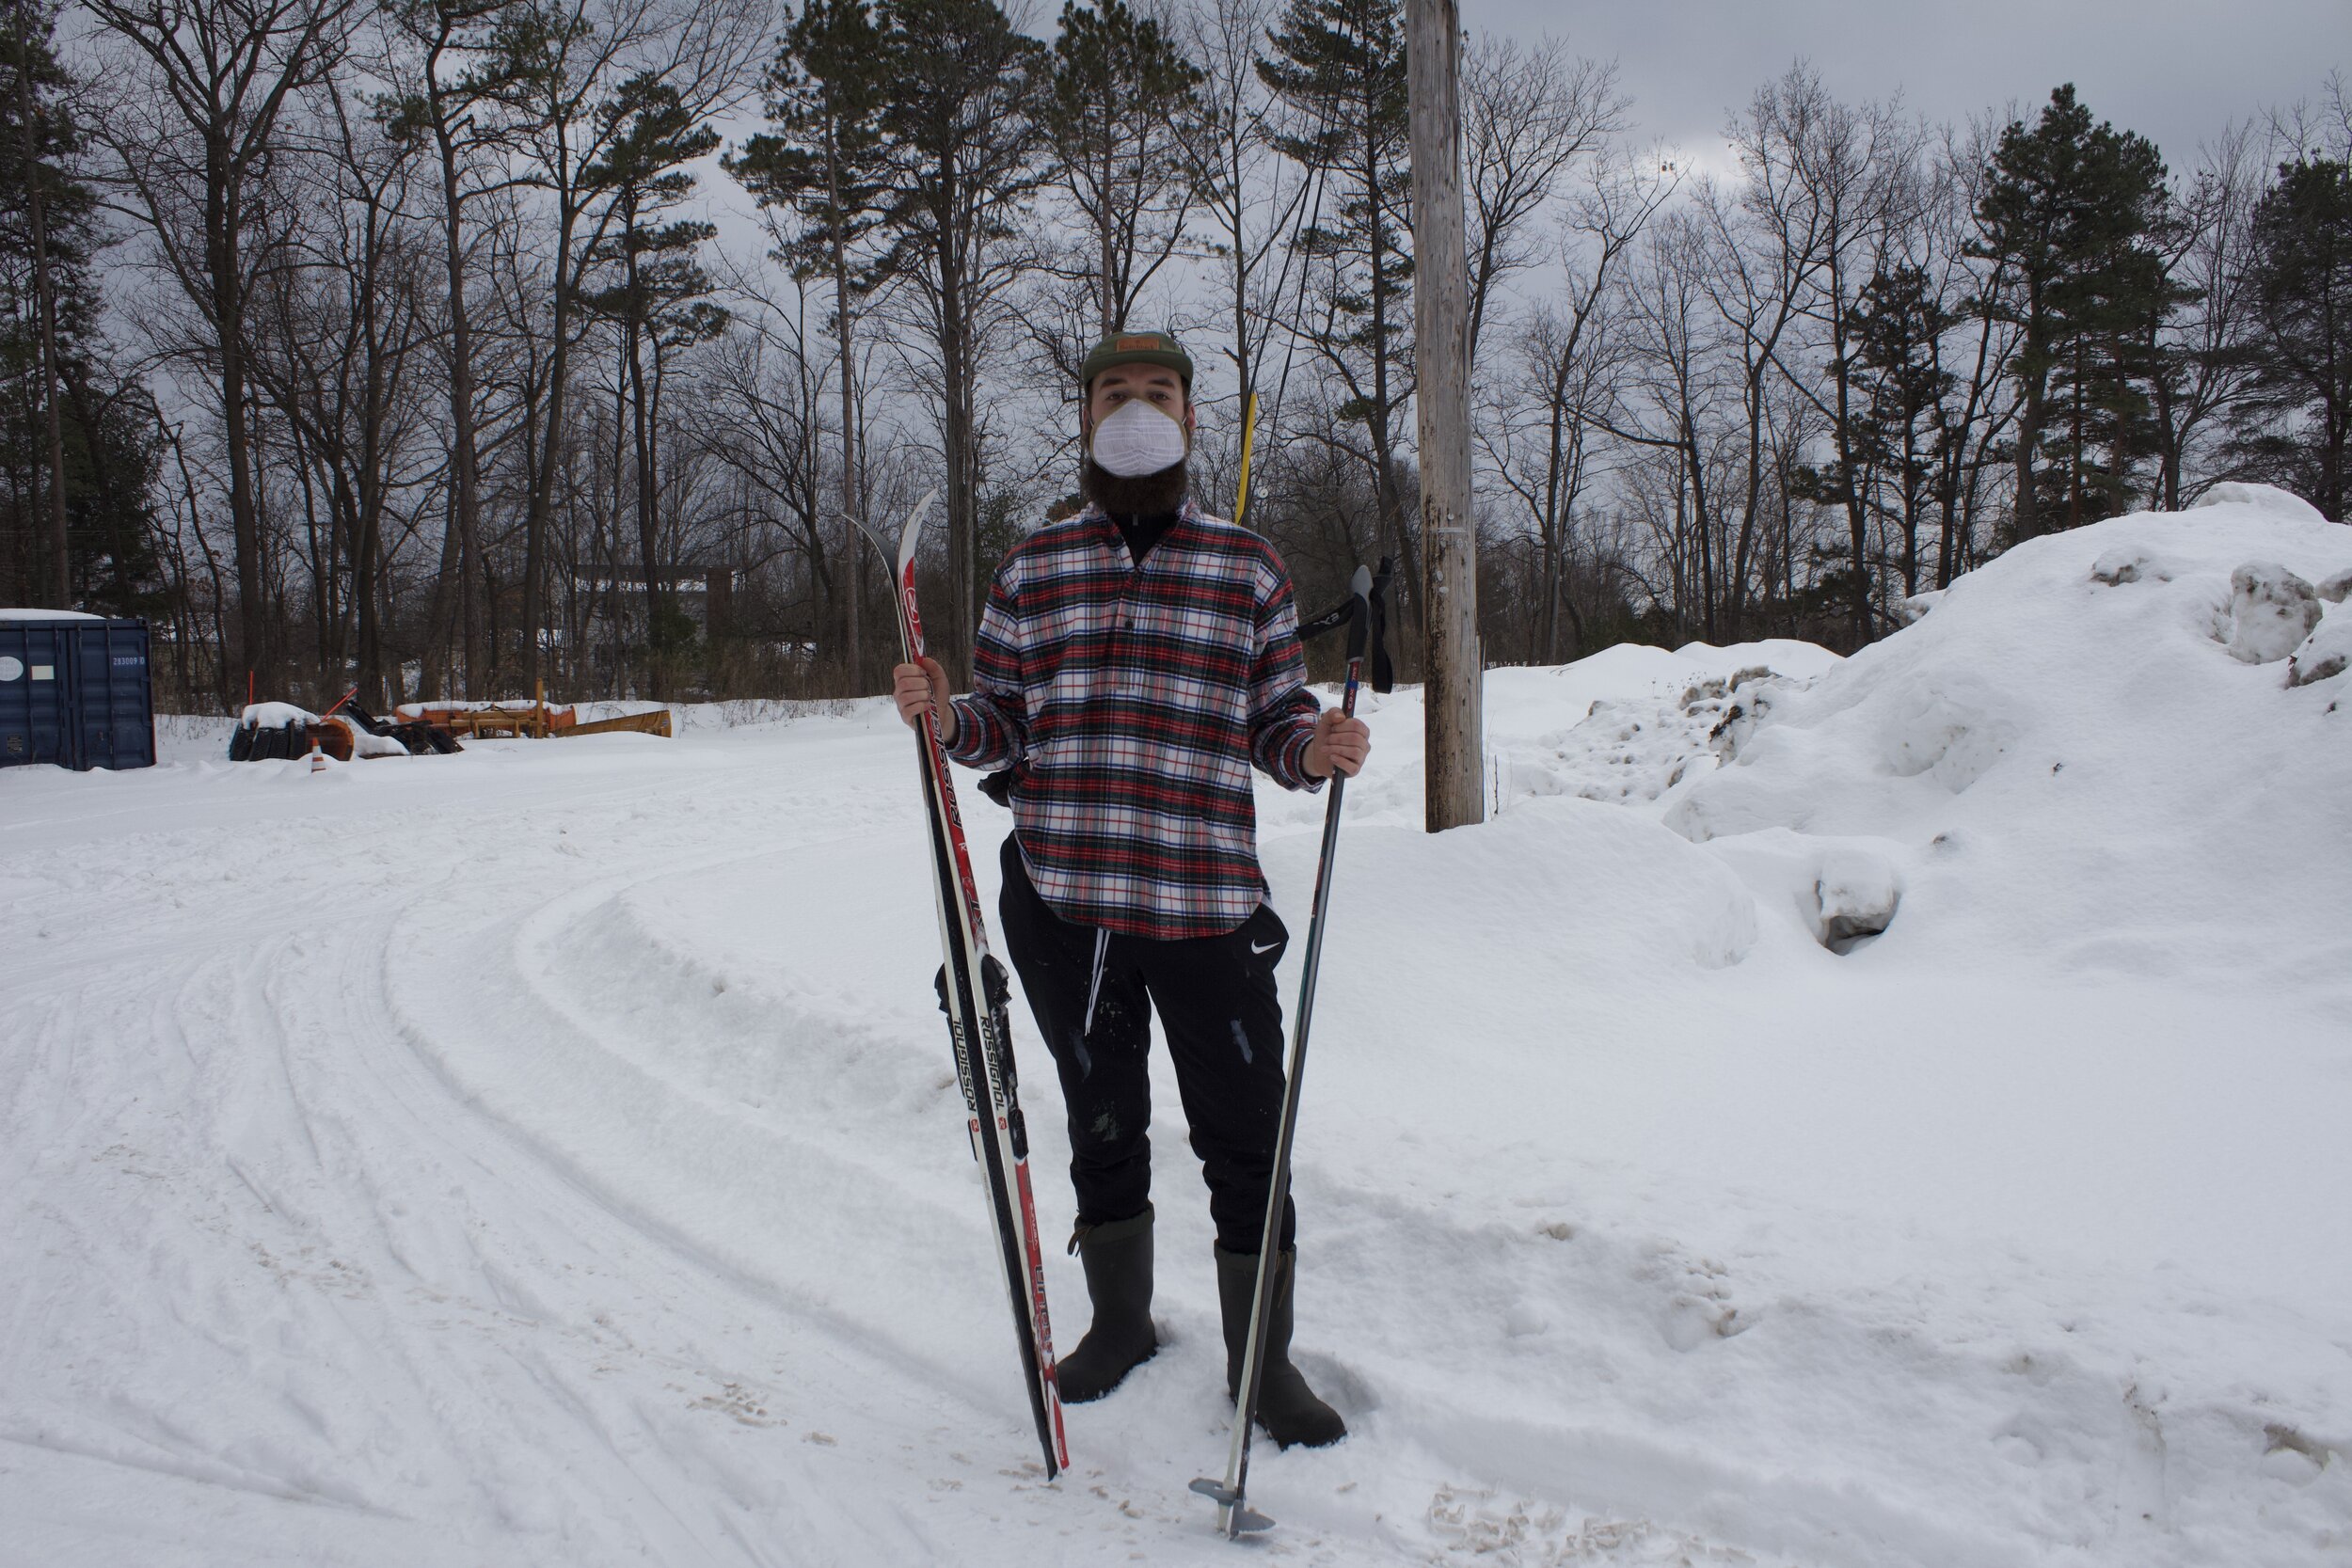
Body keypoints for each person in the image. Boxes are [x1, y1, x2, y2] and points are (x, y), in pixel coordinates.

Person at [892, 330, 1369, 1449]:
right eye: (1117, 391)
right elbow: (1002, 720)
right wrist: (948, 715)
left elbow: (1274, 720)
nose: (1137, 406)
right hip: (1067, 903)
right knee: (1103, 1121)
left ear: (1190, 418)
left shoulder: (1248, 565)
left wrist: (1316, 748)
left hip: (1205, 906)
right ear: (1086, 416)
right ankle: (1119, 1322)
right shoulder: (1034, 564)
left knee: (1247, 1137)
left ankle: (1264, 1365)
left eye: (1159, 391)